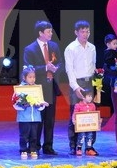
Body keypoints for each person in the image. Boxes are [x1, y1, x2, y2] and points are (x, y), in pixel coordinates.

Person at [22, 20, 62, 155]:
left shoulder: (54, 46)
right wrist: (45, 68)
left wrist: (56, 68)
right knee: (38, 118)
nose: (51, 33)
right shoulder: (30, 49)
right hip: (37, 88)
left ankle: (48, 146)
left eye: (51, 31)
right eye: (48, 31)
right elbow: (28, 68)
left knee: (50, 120)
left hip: (51, 86)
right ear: (40, 33)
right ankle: (35, 145)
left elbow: (60, 63)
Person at [64, 20, 98, 156]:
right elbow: (69, 69)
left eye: (87, 31)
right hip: (77, 83)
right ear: (76, 32)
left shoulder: (92, 47)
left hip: (90, 82)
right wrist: (75, 87)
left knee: (91, 114)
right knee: (75, 114)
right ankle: (74, 146)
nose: (85, 34)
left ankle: (89, 146)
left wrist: (97, 82)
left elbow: (93, 65)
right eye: (82, 31)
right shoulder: (71, 48)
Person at [13, 66, 47, 159]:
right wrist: (23, 104)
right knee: (24, 135)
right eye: (30, 77)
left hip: (35, 117)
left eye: (34, 77)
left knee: (34, 135)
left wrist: (41, 104)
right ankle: (23, 150)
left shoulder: (37, 88)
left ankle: (33, 150)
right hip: (24, 117)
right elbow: (15, 103)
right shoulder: (20, 89)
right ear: (24, 77)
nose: (32, 79)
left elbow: (40, 100)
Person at [72, 90, 98, 156]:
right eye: (88, 96)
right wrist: (74, 120)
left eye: (91, 96)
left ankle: (88, 149)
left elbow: (94, 114)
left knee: (90, 136)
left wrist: (97, 120)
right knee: (81, 136)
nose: (90, 98)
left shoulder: (92, 105)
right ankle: (79, 148)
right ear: (83, 97)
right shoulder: (78, 105)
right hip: (81, 126)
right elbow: (75, 113)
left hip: (90, 126)